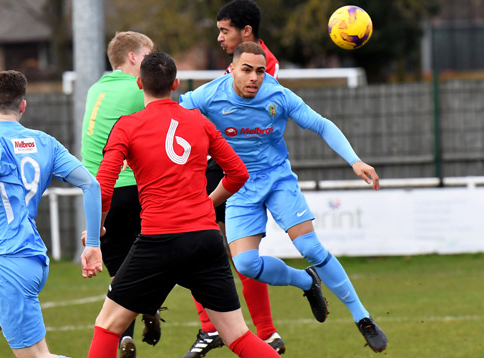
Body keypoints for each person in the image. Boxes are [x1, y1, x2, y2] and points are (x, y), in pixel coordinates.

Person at [180, 42, 388, 353]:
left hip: (278, 180)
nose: (254, 77)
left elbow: (321, 124)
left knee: (310, 246)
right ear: (232, 69)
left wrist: (355, 160)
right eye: (247, 70)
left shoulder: (277, 95)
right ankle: (307, 282)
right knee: (247, 265)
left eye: (260, 71)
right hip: (238, 184)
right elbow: (170, 118)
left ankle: (363, 318)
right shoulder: (207, 96)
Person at [87, 50, 281, 358]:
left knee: (108, 325)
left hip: (158, 240)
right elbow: (238, 173)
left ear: (140, 84)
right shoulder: (199, 121)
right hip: (205, 238)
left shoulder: (127, 126)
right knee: (237, 335)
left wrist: (95, 233)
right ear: (176, 83)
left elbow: (103, 188)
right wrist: (207, 202)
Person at [0, 70, 103, 358]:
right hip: (28, 258)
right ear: (23, 105)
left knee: (36, 357)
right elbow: (91, 184)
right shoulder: (45, 142)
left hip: (9, 261)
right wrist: (94, 244)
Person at [185, 1, 284, 357]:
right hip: (223, 164)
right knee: (216, 248)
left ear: (246, 32)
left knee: (210, 246)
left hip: (235, 169)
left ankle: (237, 330)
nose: (219, 36)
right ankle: (255, 332)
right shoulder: (251, 61)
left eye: (224, 30)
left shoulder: (260, 64)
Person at [80, 31, 161, 355]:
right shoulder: (138, 89)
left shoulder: (94, 89)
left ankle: (124, 333)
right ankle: (153, 306)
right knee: (162, 257)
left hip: (97, 195)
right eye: (148, 55)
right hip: (131, 188)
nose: (151, 62)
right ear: (132, 58)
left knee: (124, 271)